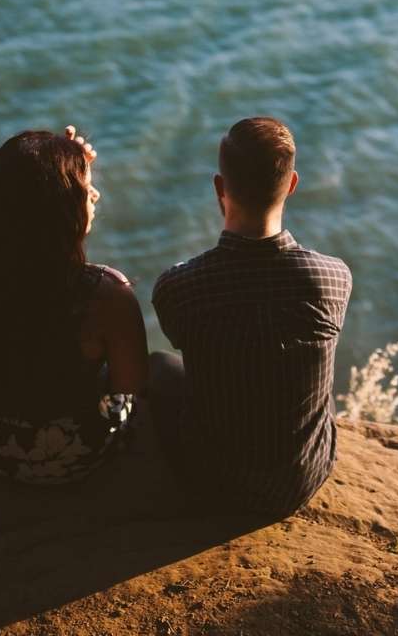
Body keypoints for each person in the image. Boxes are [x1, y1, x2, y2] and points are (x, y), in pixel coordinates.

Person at [150, 117, 353, 517]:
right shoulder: (333, 278)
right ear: (292, 184)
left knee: (158, 366)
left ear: (220, 189)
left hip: (213, 483)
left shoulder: (178, 287)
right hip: (300, 481)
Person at [0, 126, 147, 484]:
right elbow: (131, 382)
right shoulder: (104, 293)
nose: (95, 194)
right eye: (85, 191)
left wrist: (61, 159)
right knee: (165, 372)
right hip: (71, 456)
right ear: (62, 213)